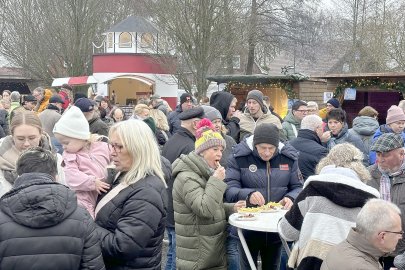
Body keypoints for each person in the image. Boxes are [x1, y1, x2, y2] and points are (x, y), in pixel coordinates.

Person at [0, 147, 105, 270]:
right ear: (55, 176)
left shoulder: (2, 215)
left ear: (18, 175)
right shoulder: (81, 216)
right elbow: (93, 266)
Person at [278, 143, 379, 270]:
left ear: (327, 161)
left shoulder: (312, 189)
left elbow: (287, 232)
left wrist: (280, 221)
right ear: (358, 165)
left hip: (310, 263)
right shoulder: (371, 199)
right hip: (351, 265)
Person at [225, 123, 303, 270]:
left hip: (276, 227)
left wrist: (291, 198)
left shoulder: (289, 157)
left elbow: (298, 187)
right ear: (255, 145)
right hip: (248, 227)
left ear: (277, 146)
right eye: (262, 148)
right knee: (247, 266)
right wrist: (248, 194)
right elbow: (229, 189)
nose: (267, 153)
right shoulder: (239, 157)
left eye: (271, 148)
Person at [95, 120, 168, 270]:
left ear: (138, 148)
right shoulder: (123, 175)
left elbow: (123, 247)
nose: (112, 152)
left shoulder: (147, 192)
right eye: (112, 145)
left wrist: (84, 225)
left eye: (119, 146)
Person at [172, 119, 245, 270]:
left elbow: (212, 205)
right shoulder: (187, 177)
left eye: (221, 150)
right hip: (198, 258)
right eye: (215, 150)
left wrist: (232, 208)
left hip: (210, 253)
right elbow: (205, 209)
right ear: (202, 151)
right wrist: (217, 181)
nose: (220, 154)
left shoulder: (204, 173)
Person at [161, 106, 204, 270]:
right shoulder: (190, 146)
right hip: (180, 209)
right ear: (195, 124)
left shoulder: (173, 140)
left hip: (170, 205)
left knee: (172, 253)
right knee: (178, 256)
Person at [54, 106, 111, 218]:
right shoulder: (70, 156)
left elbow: (115, 158)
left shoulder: (102, 146)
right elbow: (71, 176)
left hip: (105, 192)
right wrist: (92, 182)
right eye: (61, 144)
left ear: (81, 136)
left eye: (66, 142)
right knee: (86, 216)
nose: (63, 147)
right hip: (84, 196)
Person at [321, 199, 402, 270]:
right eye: (399, 233)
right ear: (382, 236)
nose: (400, 237)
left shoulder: (343, 247)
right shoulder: (363, 266)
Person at [0, 111, 65, 196]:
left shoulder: (56, 159)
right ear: (12, 135)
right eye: (20, 139)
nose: (27, 143)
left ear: (41, 134)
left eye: (32, 138)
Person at [368, 133, 405, 269]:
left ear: (401, 154)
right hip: (373, 252)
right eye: (378, 154)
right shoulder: (367, 176)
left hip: (401, 253)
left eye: (385, 155)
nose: (380, 159)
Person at [289, 114, 328, 180]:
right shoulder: (321, 151)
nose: (323, 131)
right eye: (322, 128)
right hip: (310, 187)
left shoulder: (288, 144)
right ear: (317, 129)